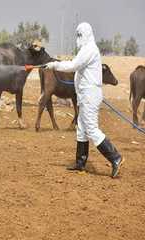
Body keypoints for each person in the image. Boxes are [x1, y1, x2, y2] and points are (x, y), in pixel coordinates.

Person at [45, 22, 124, 178]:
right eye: (78, 35)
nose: (79, 38)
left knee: (92, 129)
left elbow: (73, 66)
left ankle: (115, 157)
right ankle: (80, 163)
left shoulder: (89, 50)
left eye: (81, 34)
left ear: (87, 34)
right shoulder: (85, 50)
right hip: (84, 94)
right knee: (81, 129)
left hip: (89, 94)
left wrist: (54, 65)